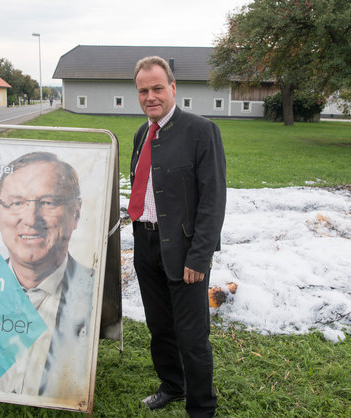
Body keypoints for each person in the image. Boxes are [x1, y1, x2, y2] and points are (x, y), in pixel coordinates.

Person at [128, 56, 226, 417]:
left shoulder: (201, 131)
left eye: (157, 88)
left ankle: (201, 408)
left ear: (173, 88)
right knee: (159, 327)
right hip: (146, 244)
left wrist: (200, 257)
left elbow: (213, 199)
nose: (150, 96)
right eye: (143, 90)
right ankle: (173, 385)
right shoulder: (142, 133)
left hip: (184, 250)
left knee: (192, 336)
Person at [0, 151, 95, 401]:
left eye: (48, 202)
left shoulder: (94, 293)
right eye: (16, 203)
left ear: (76, 213)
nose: (30, 219)